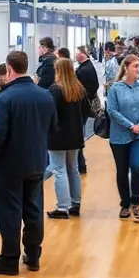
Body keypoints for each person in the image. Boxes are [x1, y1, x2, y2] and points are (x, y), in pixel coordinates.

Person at [0, 51, 56, 275]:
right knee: (34, 210)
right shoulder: (45, 96)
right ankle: (33, 256)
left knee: (9, 213)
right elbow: (53, 130)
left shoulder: (5, 98)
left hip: (8, 166)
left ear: (9, 69)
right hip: (36, 163)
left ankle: (9, 259)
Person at [106, 55, 139, 222]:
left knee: (136, 166)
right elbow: (112, 111)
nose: (138, 69)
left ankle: (136, 201)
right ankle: (125, 204)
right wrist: (130, 125)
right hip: (119, 136)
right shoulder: (115, 88)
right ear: (126, 68)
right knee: (122, 170)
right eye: (135, 66)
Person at [47, 58, 88, 219]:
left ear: (58, 71)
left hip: (58, 136)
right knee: (73, 168)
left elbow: (51, 113)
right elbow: (86, 112)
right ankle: (75, 203)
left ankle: (62, 207)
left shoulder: (55, 90)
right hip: (75, 134)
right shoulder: (79, 89)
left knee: (59, 170)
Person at [75, 47, 100, 174]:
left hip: (83, 106)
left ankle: (80, 163)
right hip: (86, 104)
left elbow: (92, 87)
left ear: (82, 55)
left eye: (77, 54)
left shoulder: (83, 70)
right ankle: (80, 163)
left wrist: (85, 97)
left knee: (79, 133)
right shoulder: (88, 67)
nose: (75, 56)